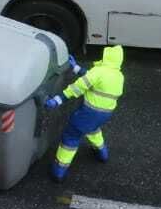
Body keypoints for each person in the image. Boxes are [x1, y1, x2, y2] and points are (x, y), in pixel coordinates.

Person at [44, 44, 125, 182]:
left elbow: (78, 87)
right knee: (93, 129)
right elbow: (93, 79)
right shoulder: (119, 76)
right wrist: (76, 67)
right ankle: (102, 153)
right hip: (105, 114)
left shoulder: (99, 71)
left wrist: (58, 100)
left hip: (88, 113)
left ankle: (59, 171)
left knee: (71, 136)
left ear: (106, 57)